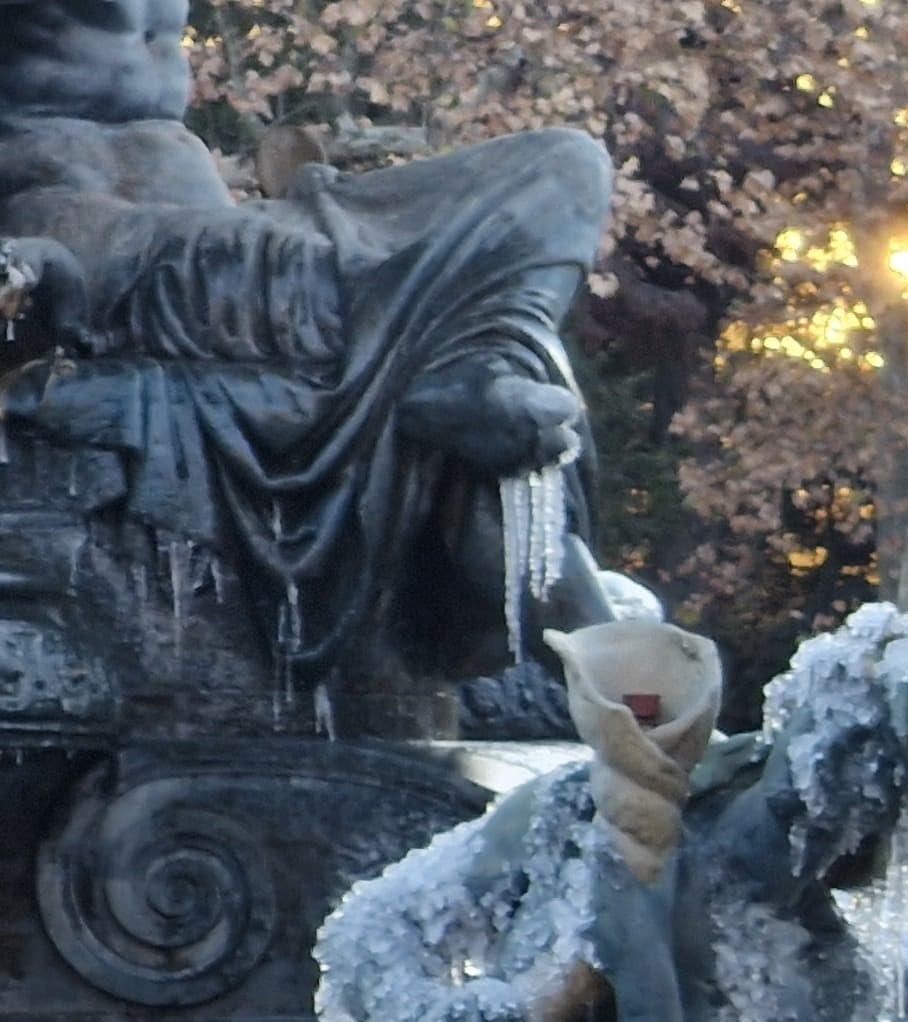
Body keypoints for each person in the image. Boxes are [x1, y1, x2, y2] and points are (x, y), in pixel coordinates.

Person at [0, 0, 629, 697]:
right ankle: (625, 683)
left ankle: (479, 361)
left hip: (219, 217)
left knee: (565, 165)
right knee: (334, 279)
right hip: (84, 224)